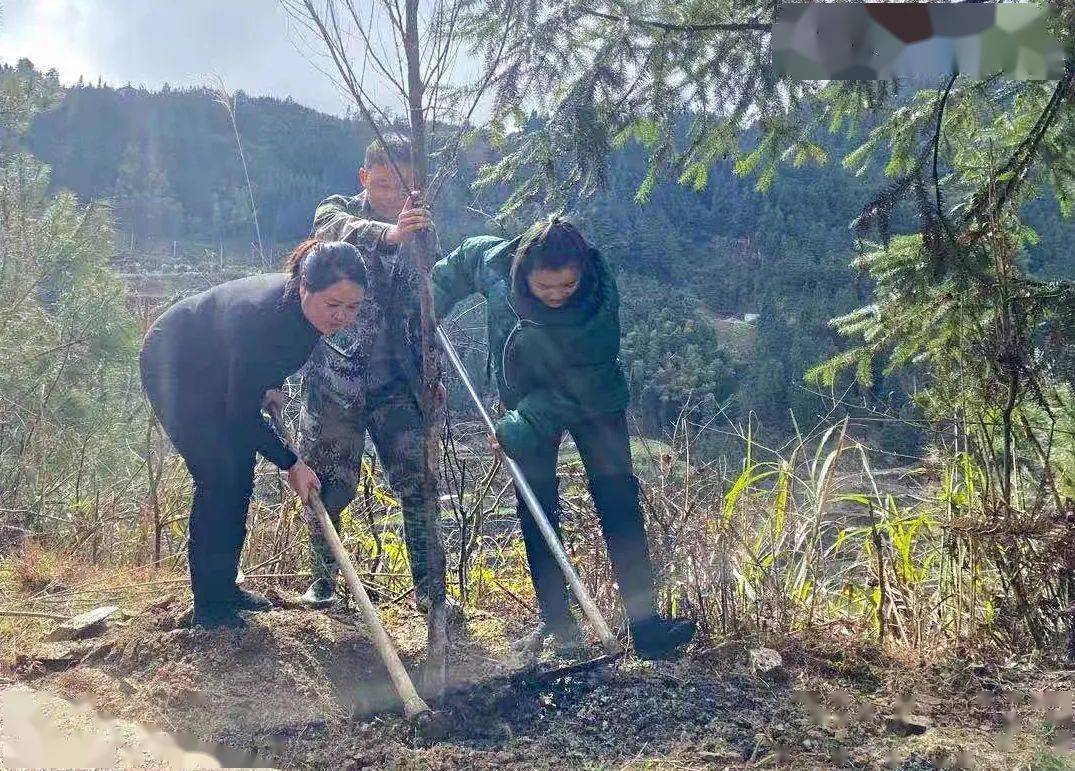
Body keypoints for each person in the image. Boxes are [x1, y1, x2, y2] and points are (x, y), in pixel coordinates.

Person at [430, 216, 696, 659]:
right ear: (521, 270)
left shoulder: (596, 304)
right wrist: (430, 310)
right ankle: (560, 627)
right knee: (537, 507)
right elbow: (453, 269)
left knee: (618, 503)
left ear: (583, 273)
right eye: (544, 287)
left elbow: (574, 387)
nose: (555, 296)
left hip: (594, 401)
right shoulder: (495, 261)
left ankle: (646, 628)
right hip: (524, 399)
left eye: (565, 287)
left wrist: (517, 428)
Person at [139, 240, 367, 628]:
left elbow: (263, 365)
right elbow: (240, 414)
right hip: (175, 365)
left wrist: (266, 384)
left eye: (353, 307)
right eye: (334, 306)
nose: (343, 317)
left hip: (217, 366)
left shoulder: (307, 317)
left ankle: (223, 589)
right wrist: (291, 463)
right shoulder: (264, 317)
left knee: (238, 475)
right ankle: (210, 609)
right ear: (304, 288)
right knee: (218, 476)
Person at [297, 136, 451, 613]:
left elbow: (429, 308)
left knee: (418, 483)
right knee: (327, 484)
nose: (388, 195)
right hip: (335, 379)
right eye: (380, 184)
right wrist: (389, 235)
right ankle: (324, 586)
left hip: (397, 383)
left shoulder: (423, 230)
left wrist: (432, 372)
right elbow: (332, 230)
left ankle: (431, 593)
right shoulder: (337, 211)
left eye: (398, 185)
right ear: (364, 179)